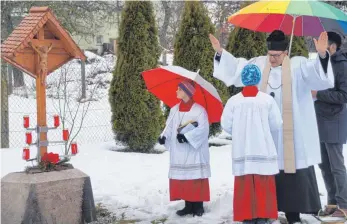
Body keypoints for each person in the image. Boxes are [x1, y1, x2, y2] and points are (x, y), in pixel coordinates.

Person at [209, 30, 335, 224]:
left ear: (285, 52)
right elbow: (235, 69)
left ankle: (294, 214)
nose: (273, 59)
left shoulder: (298, 65)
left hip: (292, 133)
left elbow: (320, 77)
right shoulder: (260, 64)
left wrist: (322, 55)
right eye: (270, 55)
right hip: (264, 134)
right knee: (264, 171)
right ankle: (264, 211)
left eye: (277, 56)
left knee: (292, 171)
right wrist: (220, 53)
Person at [221, 64, 283, 224]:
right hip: (263, 147)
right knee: (263, 183)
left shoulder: (233, 101)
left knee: (245, 183)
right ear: (258, 79)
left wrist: (239, 131)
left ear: (243, 80)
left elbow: (225, 124)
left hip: (243, 148)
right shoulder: (267, 100)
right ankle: (262, 215)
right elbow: (276, 123)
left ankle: (247, 215)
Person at [158, 80, 210, 217]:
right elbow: (169, 127)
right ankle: (188, 205)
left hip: (194, 151)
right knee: (184, 178)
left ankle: (198, 206)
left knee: (195, 177)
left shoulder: (199, 110)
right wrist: (164, 137)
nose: (176, 91)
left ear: (187, 92)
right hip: (179, 151)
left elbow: (204, 130)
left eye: (179, 90)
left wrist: (188, 137)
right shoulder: (174, 109)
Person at [312, 31, 347, 218]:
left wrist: (318, 94)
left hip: (335, 120)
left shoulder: (342, 65)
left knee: (336, 165)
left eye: (323, 44)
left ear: (332, 46)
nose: (319, 47)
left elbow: (344, 95)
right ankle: (332, 202)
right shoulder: (324, 62)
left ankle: (344, 205)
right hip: (321, 119)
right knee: (324, 165)